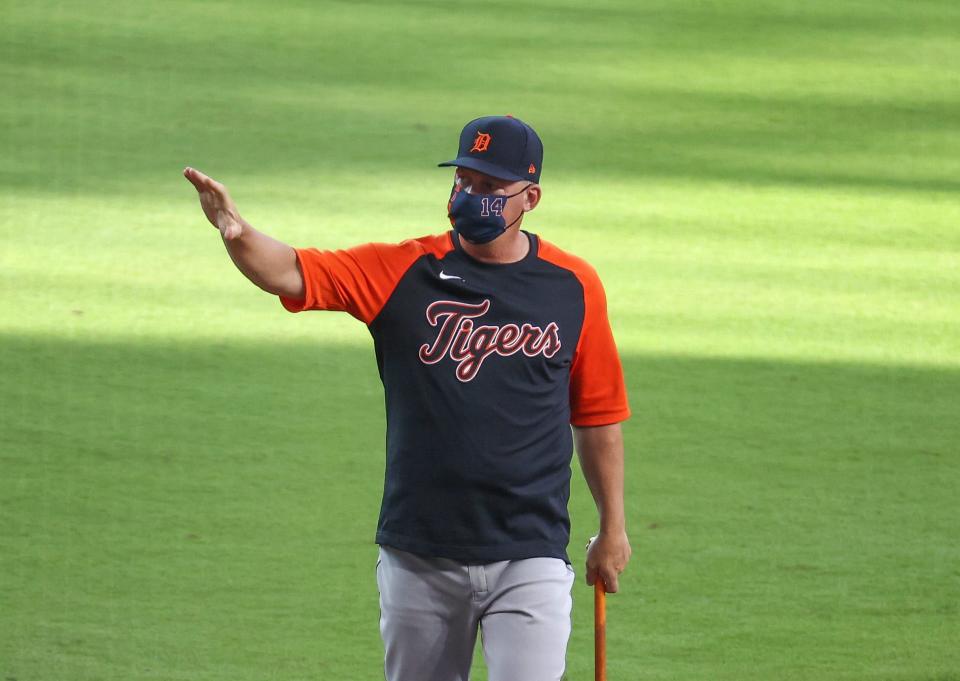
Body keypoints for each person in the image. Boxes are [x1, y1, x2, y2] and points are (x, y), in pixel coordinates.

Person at [184, 114, 632, 681]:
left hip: (530, 551)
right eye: (464, 181)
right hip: (420, 551)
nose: (473, 197)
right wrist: (236, 231)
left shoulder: (573, 285)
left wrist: (612, 527)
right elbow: (294, 273)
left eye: (492, 188)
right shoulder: (403, 271)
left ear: (531, 197)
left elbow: (597, 416)